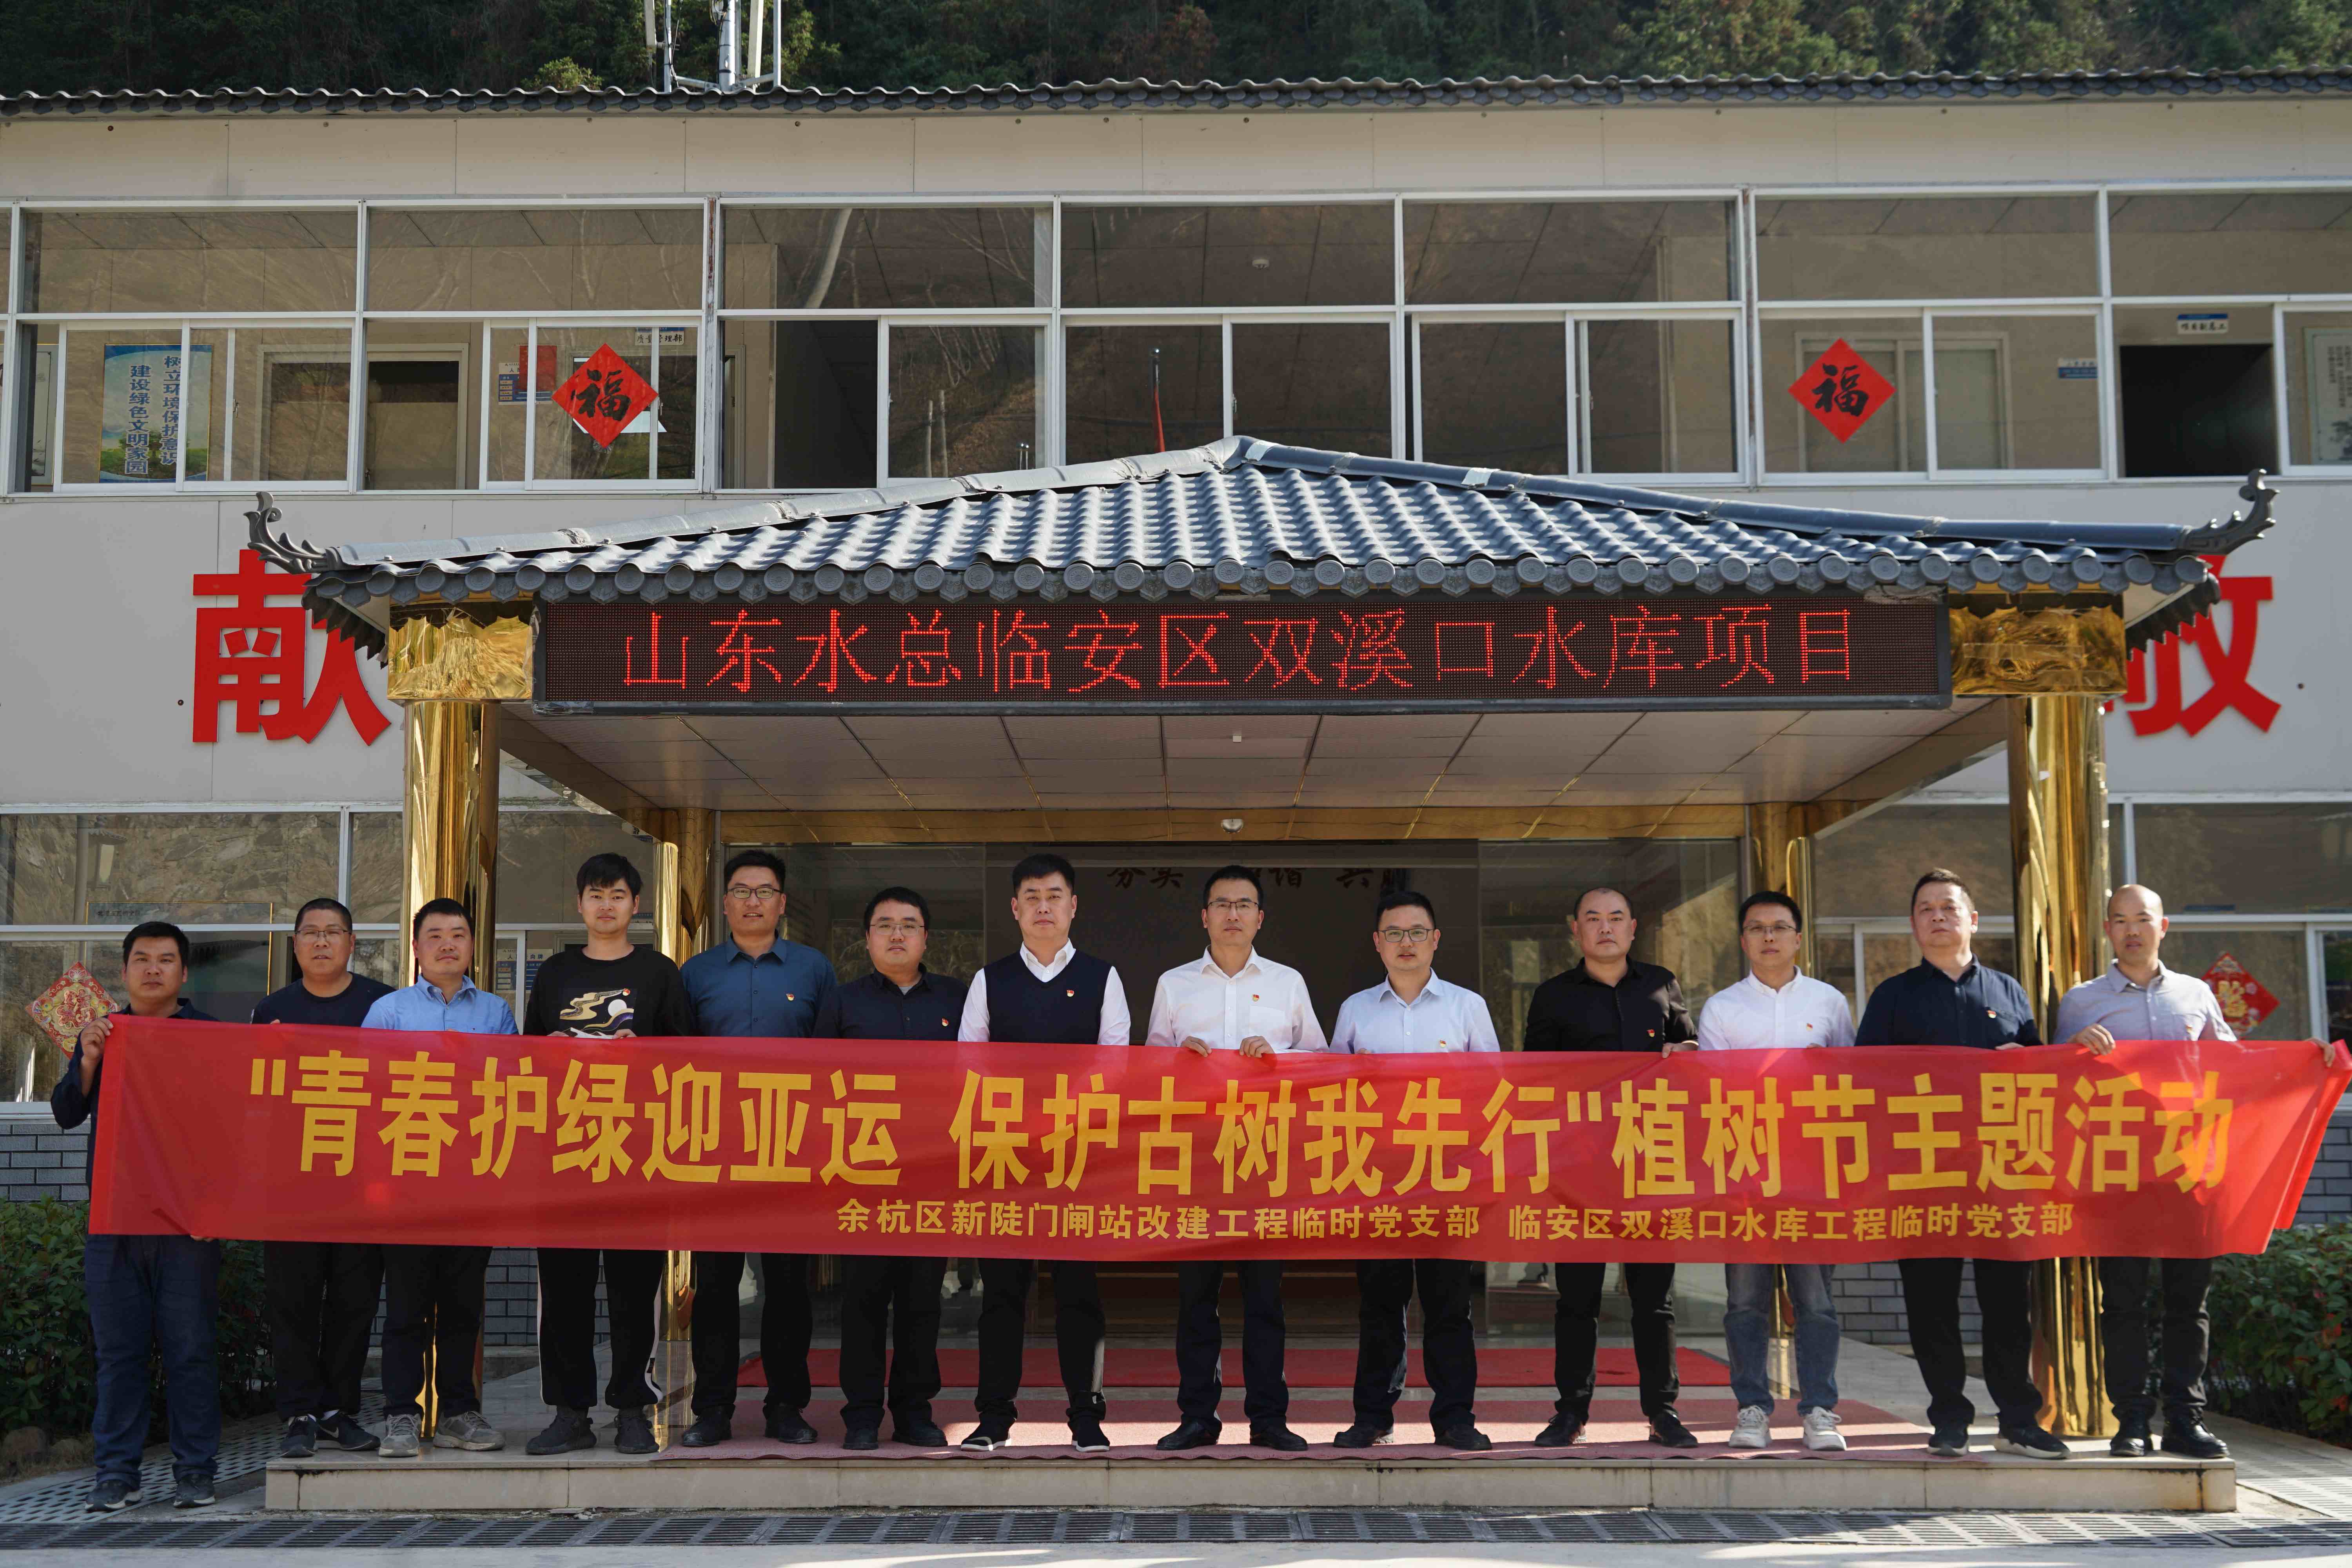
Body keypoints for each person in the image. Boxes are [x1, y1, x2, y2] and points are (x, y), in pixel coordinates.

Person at [1855, 869, 2059, 1460]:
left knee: (2008, 1303)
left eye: (1948, 907)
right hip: (1924, 1172)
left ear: (1973, 920)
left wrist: (2026, 1058)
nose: (1938, 917)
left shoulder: (2009, 991)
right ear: (1914, 925)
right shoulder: (1893, 996)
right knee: (1931, 1302)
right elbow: (1864, 1080)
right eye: (1926, 909)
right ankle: (1948, 1417)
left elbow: (2042, 1073)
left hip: (2002, 1170)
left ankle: (2018, 1419)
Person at [1143, 865, 1325, 1455]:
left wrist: (1278, 1058)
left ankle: (1269, 1418)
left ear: (1260, 917)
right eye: (1222, 904)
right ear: (1204, 916)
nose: (1233, 914)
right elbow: (1147, 1068)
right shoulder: (1174, 984)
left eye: (1244, 904)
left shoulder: (1288, 983)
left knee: (1265, 1299)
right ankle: (1197, 1416)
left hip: (1265, 1158)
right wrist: (1178, 1060)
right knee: (1196, 1298)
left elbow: (1321, 1063)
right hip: (1197, 1159)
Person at [522, 853, 698, 1459]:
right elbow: (526, 1060)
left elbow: (686, 1056)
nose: (606, 906)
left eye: (618, 895)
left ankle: (632, 1408)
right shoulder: (555, 973)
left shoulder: (659, 972)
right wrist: (547, 1050)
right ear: (579, 905)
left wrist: (642, 1048)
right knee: (563, 1293)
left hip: (635, 1153)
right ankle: (569, 1412)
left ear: (636, 905)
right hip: (567, 1153)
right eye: (596, 895)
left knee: (632, 1292)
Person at [2055, 883, 2238, 1462]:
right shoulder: (2080, 1002)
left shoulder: (2196, 994)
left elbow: (2233, 1067)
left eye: (2142, 919)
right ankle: (2131, 1419)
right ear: (2107, 930)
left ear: (2163, 927)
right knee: (2123, 1303)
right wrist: (2072, 1048)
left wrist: (2306, 1062)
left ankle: (2186, 1420)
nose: (2131, 930)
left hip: (2188, 1169)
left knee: (2189, 1303)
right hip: (2116, 1173)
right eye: (2120, 920)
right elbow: (2050, 1085)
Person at [956, 851, 1132, 1453]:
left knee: (1079, 1293)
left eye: (1054, 896)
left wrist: (1062, 1112)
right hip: (1005, 1159)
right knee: (1002, 1294)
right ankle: (994, 1416)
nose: (1043, 907)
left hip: (1076, 1161)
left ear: (1073, 906)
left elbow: (1115, 1065)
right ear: (1015, 908)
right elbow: (970, 1067)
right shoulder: (991, 980)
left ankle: (1086, 1415)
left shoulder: (1104, 978)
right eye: (1031, 897)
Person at [1519, 886, 1699, 1449]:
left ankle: (1663, 1412)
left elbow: (1692, 1054)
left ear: (1633, 927)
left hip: (1651, 1164)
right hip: (1580, 1169)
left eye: (1616, 918)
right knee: (1577, 1300)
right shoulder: (1552, 997)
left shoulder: (1661, 985)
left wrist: (1686, 1054)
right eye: (1593, 918)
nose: (1605, 928)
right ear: (1575, 929)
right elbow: (1534, 1081)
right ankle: (1571, 1412)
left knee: (1654, 1301)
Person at [53, 922, 221, 1512]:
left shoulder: (210, 1037)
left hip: (186, 1224)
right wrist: (89, 1060)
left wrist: (218, 1209)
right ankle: (117, 1474)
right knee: (119, 1355)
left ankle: (196, 1472)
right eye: (142, 959)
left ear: (184, 973)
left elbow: (232, 1128)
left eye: (166, 960)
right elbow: (66, 1112)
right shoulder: (104, 1033)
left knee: (191, 1351)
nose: (153, 969)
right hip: (114, 1222)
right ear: (124, 972)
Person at [677, 849, 838, 1448]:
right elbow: (675, 1061)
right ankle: (712, 1409)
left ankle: (786, 1407)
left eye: (764, 891)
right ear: (725, 904)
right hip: (715, 1152)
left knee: (788, 1288)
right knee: (716, 1287)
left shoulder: (814, 970)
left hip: (792, 1151)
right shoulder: (695, 974)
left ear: (782, 903)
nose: (753, 901)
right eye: (742, 891)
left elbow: (835, 1062)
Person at [1328, 889, 1499, 1452]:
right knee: (1381, 1303)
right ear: (1378, 943)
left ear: (1436, 940)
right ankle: (1372, 1416)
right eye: (1395, 933)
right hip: (1376, 1176)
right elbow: (1328, 1091)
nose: (1407, 943)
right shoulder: (1356, 1010)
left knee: (1450, 1305)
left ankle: (1455, 1418)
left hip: (1448, 1176)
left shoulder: (1466, 1007)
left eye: (1418, 932)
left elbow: (1493, 1089)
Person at [1686, 890, 1855, 1453]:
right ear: (1743, 940)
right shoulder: (1722, 1008)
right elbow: (1711, 1092)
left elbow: (1850, 1081)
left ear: (1798, 938)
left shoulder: (1829, 1002)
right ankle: (1752, 1408)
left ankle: (1820, 1410)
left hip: (1811, 1176)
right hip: (1745, 1177)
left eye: (1780, 927)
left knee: (1816, 1302)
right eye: (1757, 928)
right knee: (1745, 1302)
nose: (1769, 937)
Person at [362, 898, 519, 1461]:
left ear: (473, 945)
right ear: (416, 948)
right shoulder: (389, 1012)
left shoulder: (497, 1012)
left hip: (471, 1182)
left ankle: (458, 1411)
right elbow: (367, 1091)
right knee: (406, 1307)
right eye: (435, 935)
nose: (448, 944)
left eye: (458, 934)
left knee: (462, 1306)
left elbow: (510, 1087)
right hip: (406, 1181)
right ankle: (400, 1416)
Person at [812, 886, 964, 1451]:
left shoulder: (957, 999)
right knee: (864, 1301)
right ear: (867, 938)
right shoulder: (843, 1002)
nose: (897, 935)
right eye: (885, 925)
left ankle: (914, 1412)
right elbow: (817, 1084)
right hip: (863, 1175)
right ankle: (860, 1415)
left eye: (908, 925)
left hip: (932, 1174)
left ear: (926, 938)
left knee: (923, 1301)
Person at [252, 898, 395, 1460]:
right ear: (294, 945)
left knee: (354, 1303)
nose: (321, 942)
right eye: (310, 933)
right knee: (293, 1303)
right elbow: (256, 1094)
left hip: (363, 1181)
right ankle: (299, 1413)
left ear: (352, 943)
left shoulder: (383, 1005)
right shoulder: (272, 1011)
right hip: (292, 1183)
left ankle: (339, 1410)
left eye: (333, 932)